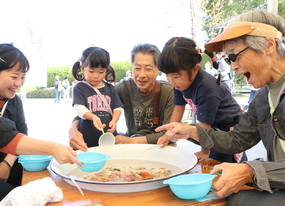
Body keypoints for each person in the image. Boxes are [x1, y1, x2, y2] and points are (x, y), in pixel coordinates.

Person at [156, 10, 285, 206]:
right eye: (228, 60)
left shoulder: (209, 88)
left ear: (268, 44)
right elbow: (238, 139)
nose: (233, 67)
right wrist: (192, 131)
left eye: (234, 57)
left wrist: (250, 171)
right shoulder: (262, 97)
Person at [0, 43, 82, 206]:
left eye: (23, 76)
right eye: (14, 76)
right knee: (16, 198)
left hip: (1, 163)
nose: (19, 83)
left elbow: (21, 131)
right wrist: (52, 148)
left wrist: (7, 163)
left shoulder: (13, 100)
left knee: (38, 181)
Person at [157, 37, 246, 163]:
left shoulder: (206, 88)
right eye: (167, 75)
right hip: (212, 129)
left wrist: (205, 152)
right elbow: (178, 108)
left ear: (195, 70)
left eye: (175, 76)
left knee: (222, 167)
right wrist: (168, 134)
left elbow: (205, 126)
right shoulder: (179, 83)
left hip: (227, 132)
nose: (171, 81)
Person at [69, 43, 174, 150]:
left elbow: (170, 133)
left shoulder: (168, 91)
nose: (142, 74)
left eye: (148, 68)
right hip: (132, 147)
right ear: (132, 68)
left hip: (160, 147)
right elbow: (92, 108)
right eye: (137, 68)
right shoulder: (125, 87)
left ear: (158, 69)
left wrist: (131, 141)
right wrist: (73, 130)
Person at [70, 47, 123, 148]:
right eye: (91, 71)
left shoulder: (110, 88)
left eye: (101, 72)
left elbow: (118, 107)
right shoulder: (80, 87)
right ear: (82, 68)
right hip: (87, 139)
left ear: (106, 70)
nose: (96, 76)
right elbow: (79, 108)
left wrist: (114, 121)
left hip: (109, 138)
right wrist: (93, 117)